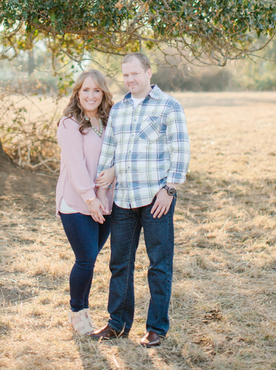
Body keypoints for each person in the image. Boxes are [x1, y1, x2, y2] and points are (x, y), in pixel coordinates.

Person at [89, 52, 190, 348]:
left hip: (156, 198)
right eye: (126, 75)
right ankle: (117, 324)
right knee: (120, 263)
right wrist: (102, 180)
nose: (130, 79)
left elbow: (180, 151)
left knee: (159, 264)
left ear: (148, 72)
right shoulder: (119, 109)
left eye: (135, 73)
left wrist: (169, 189)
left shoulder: (169, 106)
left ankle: (156, 327)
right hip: (124, 199)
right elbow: (110, 150)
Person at [55, 68, 115, 335]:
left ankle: (86, 312)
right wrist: (90, 198)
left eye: (96, 90)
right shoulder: (69, 123)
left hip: (106, 202)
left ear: (103, 94)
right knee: (86, 258)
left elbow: (121, 154)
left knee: (90, 258)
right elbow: (77, 165)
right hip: (77, 201)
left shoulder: (110, 122)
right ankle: (78, 313)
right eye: (85, 90)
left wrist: (114, 173)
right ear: (77, 93)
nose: (91, 95)